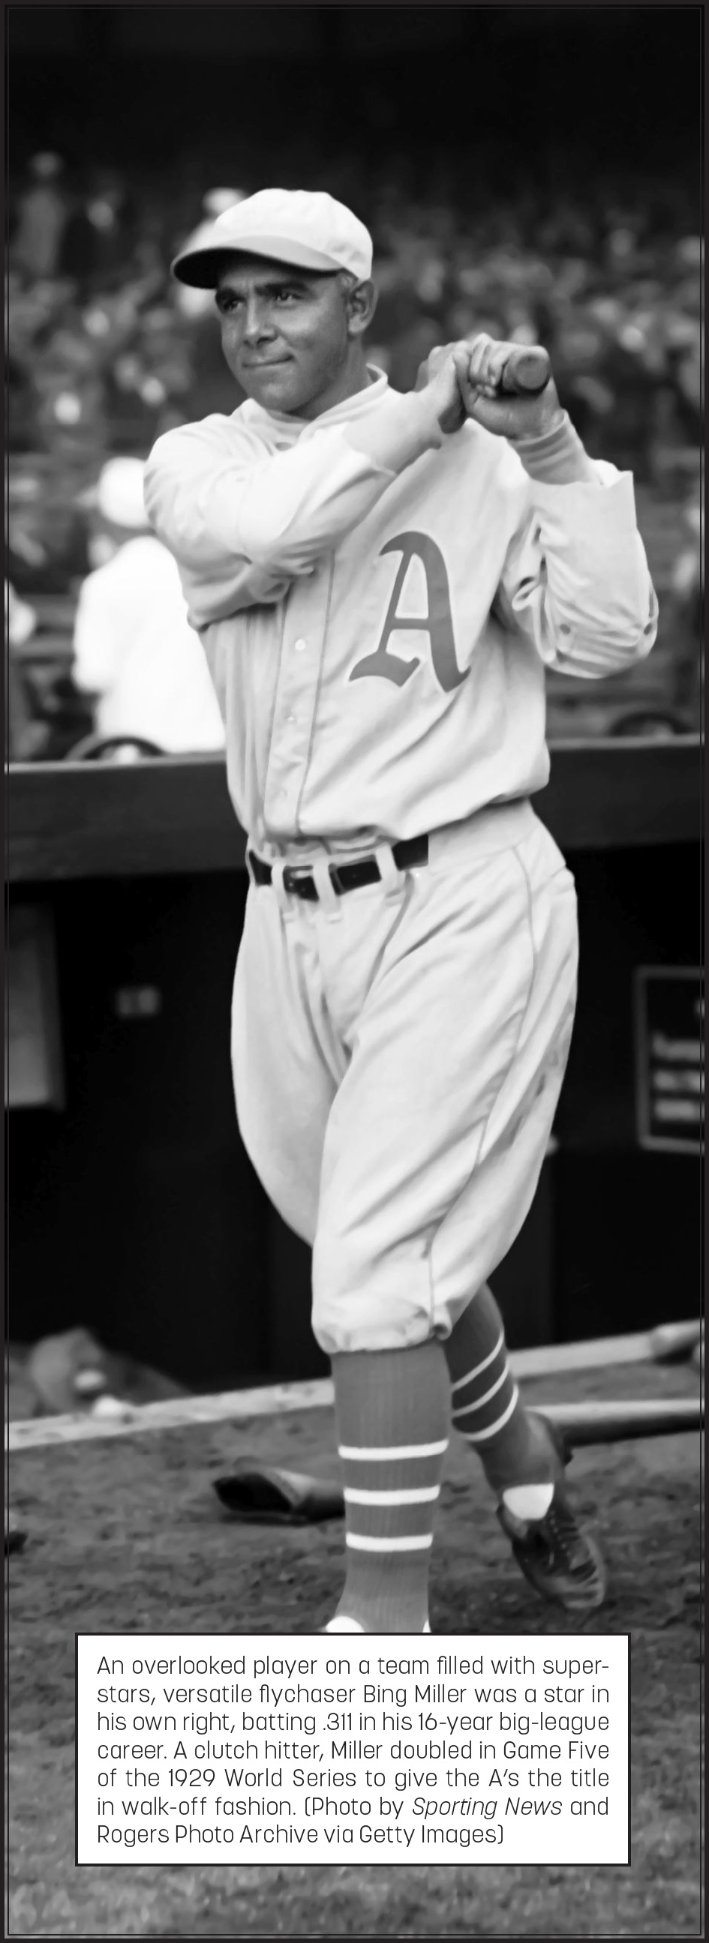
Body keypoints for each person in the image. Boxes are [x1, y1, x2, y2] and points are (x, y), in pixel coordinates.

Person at [145, 188, 658, 1636]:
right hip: (287, 913)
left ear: (357, 306)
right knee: (385, 1247)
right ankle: (524, 1457)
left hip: (461, 884)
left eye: (288, 295)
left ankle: (384, 1620)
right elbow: (284, 510)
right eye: (232, 300)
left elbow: (614, 637)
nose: (253, 325)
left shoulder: (482, 470)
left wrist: (544, 442)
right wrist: (429, 411)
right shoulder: (193, 462)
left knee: (375, 1268)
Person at [72, 457, 226, 753]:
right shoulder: (202, 574)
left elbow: (94, 676)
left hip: (136, 751)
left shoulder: (104, 584)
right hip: (209, 746)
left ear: (105, 520)